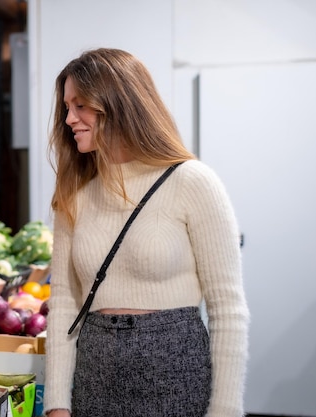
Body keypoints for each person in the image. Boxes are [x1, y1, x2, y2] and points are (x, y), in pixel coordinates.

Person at [43, 48, 250, 417]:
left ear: (117, 102)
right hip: (96, 382)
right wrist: (57, 403)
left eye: (80, 106)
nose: (69, 118)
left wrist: (225, 410)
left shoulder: (193, 181)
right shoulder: (74, 195)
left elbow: (228, 309)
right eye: (66, 107)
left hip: (177, 378)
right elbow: (64, 305)